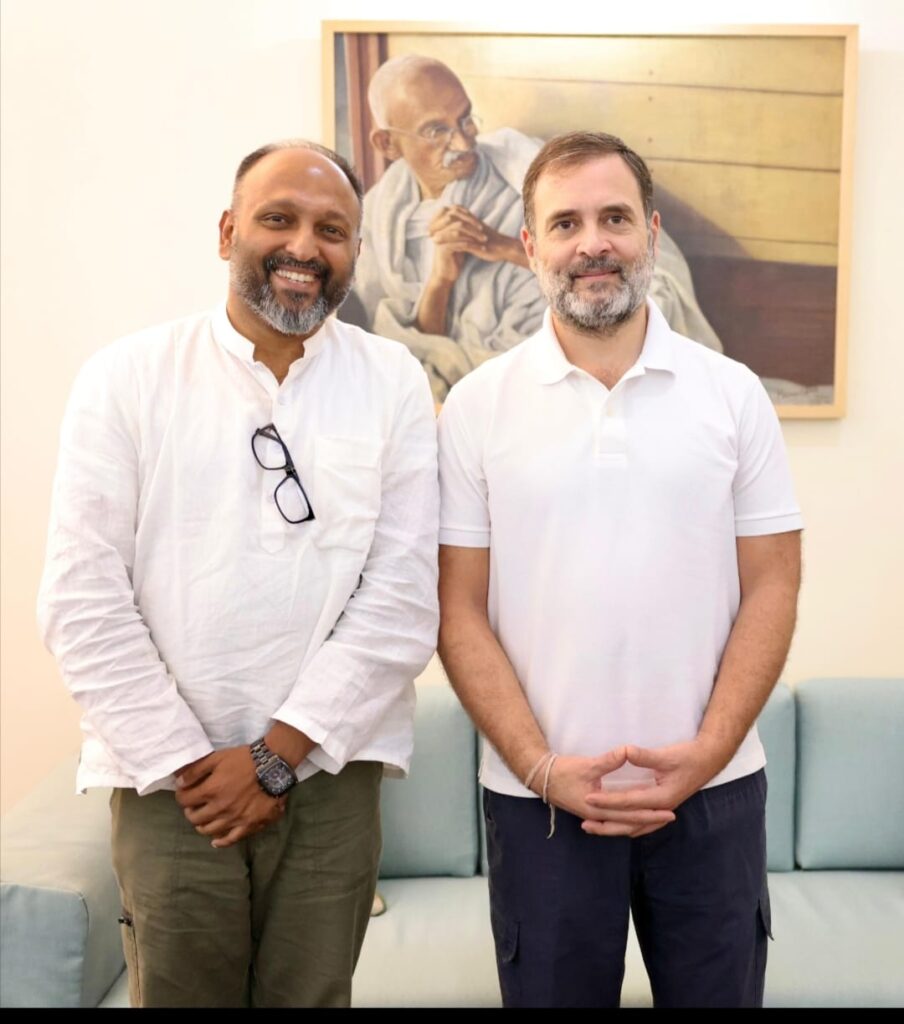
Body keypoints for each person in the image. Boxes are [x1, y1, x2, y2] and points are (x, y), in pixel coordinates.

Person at [37, 140, 439, 1008]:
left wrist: (276, 757)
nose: (304, 246)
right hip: (171, 784)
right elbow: (81, 599)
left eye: (332, 229)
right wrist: (195, 764)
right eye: (278, 218)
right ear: (227, 232)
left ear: (355, 251)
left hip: (329, 770)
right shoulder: (127, 378)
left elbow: (403, 597)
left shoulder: (394, 382)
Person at [437, 130, 802, 1008]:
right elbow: (457, 610)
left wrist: (707, 753)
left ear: (652, 232)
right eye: (565, 223)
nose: (592, 243)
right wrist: (540, 766)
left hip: (713, 794)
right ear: (531, 244)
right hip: (540, 801)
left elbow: (774, 585)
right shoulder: (475, 408)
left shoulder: (733, 394)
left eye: (615, 218)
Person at [346, 55, 721, 401]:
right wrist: (440, 282)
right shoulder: (381, 213)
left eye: (465, 119)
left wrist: (501, 246)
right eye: (436, 131)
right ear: (387, 143)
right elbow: (416, 350)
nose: (462, 141)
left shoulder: (525, 173)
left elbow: (622, 287)